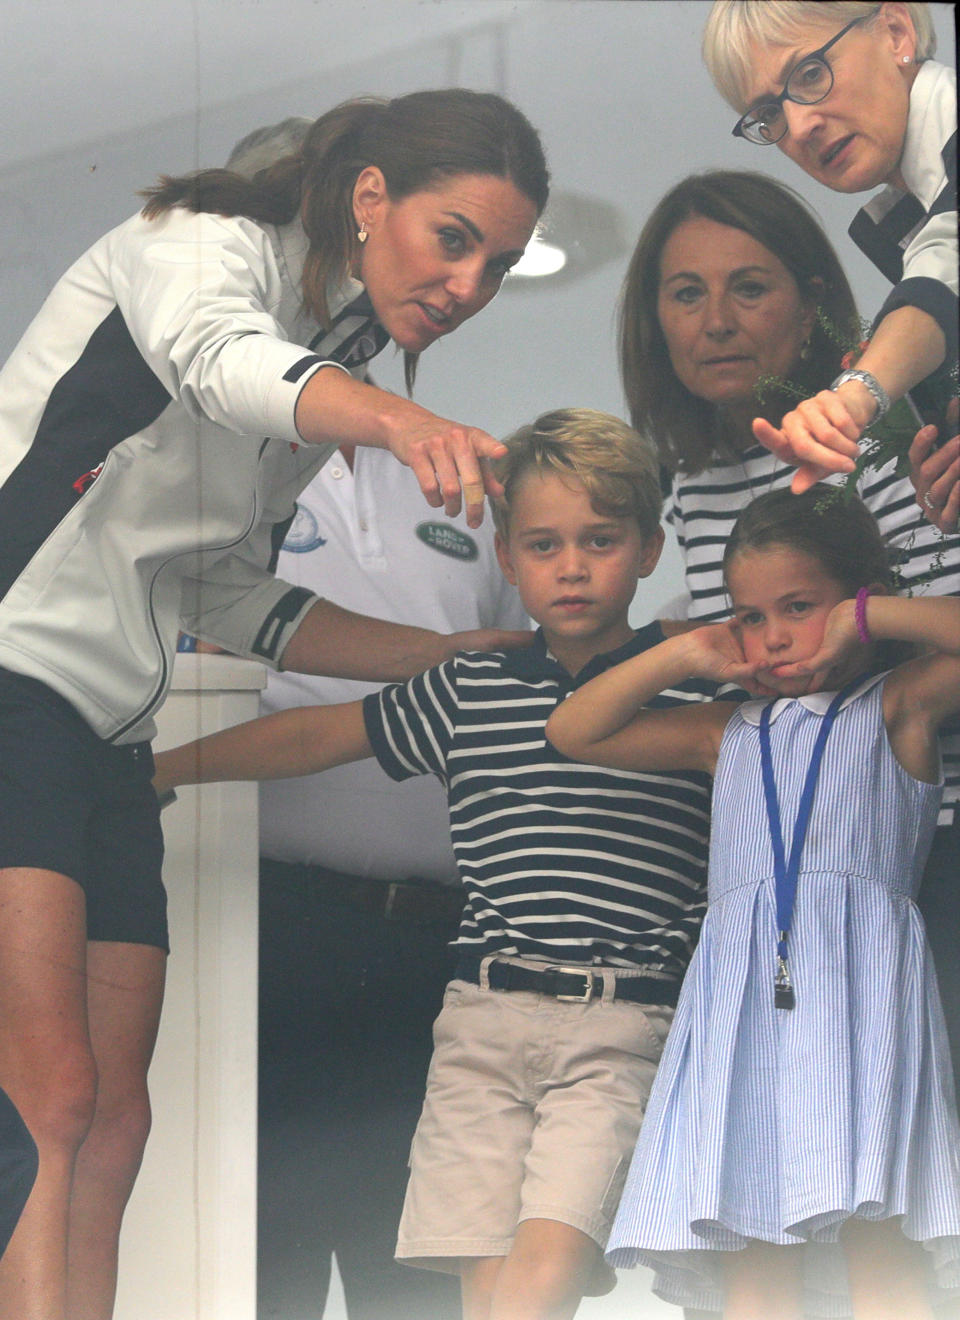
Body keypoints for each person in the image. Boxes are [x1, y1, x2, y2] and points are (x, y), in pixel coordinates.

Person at [0, 87, 547, 1320]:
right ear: (369, 200)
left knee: (115, 1117)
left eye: (500, 264)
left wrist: (456, 656)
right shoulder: (197, 249)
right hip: (12, 681)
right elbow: (222, 364)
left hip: (109, 731)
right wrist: (401, 420)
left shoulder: (326, 366)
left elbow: (231, 594)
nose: (470, 285)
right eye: (452, 237)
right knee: (46, 1093)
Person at [152, 407, 723, 1320]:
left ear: (651, 549)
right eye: (542, 544)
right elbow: (315, 735)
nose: (571, 566)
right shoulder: (472, 685)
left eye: (601, 540)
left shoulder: (699, 687)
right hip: (479, 1028)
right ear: (506, 560)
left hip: (621, 1023)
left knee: (540, 1284)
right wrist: (161, 771)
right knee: (480, 1294)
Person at [216, 111, 531, 1320]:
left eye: (495, 263)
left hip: (435, 955)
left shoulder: (455, 469)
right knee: (266, 1276)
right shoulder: (205, 469)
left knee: (422, 1288)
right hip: (266, 930)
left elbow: (498, 688)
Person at [547, 486, 960, 1319]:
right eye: (751, 616)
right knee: (754, 1238)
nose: (774, 635)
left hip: (859, 997)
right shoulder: (725, 729)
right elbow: (574, 729)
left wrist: (874, 616)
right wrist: (688, 653)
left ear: (853, 594)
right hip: (744, 1008)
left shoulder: (896, 705)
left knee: (878, 1233)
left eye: (800, 607)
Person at [618, 167, 960, 1090]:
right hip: (801, 870)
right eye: (685, 293)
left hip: (931, 848)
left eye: (750, 287)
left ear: (813, 304)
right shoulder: (692, 483)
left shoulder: (883, 427)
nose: (715, 319)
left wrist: (852, 623)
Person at [701, 1, 958, 518]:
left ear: (895, 30)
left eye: (810, 73)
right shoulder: (911, 214)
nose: (797, 127)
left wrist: (853, 397)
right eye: (769, 113)